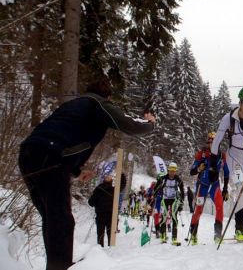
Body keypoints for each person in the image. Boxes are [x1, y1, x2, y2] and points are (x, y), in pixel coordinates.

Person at [17, 79, 155, 270]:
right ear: (107, 97)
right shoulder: (98, 103)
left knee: (51, 217)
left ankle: (56, 265)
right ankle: (60, 266)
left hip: (28, 154)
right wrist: (149, 123)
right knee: (61, 220)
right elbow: (130, 125)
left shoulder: (72, 105)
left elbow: (60, 135)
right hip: (51, 157)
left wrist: (76, 170)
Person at [209, 85, 243, 242]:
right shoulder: (229, 118)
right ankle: (240, 228)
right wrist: (212, 165)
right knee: (241, 190)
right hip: (235, 158)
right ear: (241, 102)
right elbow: (216, 141)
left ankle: (239, 215)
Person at [189, 132, 229, 245]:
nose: (213, 144)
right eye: (211, 142)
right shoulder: (202, 154)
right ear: (208, 142)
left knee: (220, 207)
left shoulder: (221, 155)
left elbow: (226, 173)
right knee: (198, 210)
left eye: (215, 141)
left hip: (215, 186)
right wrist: (198, 169)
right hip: (202, 185)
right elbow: (192, 171)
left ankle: (217, 235)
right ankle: (193, 235)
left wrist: (225, 188)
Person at [88, 173, 126, 247]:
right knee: (111, 234)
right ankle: (110, 249)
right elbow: (122, 185)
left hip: (100, 215)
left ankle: (100, 249)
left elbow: (91, 202)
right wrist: (122, 175)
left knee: (100, 234)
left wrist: (98, 203)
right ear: (111, 181)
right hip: (111, 215)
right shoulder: (114, 190)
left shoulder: (98, 189)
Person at [155, 162, 184, 245]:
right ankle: (163, 236)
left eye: (174, 171)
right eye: (171, 171)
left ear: (176, 171)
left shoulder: (179, 180)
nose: (172, 173)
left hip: (174, 200)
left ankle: (174, 238)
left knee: (174, 217)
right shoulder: (163, 178)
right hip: (165, 199)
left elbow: (182, 192)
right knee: (164, 217)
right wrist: (155, 192)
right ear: (168, 170)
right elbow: (156, 188)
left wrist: (181, 203)